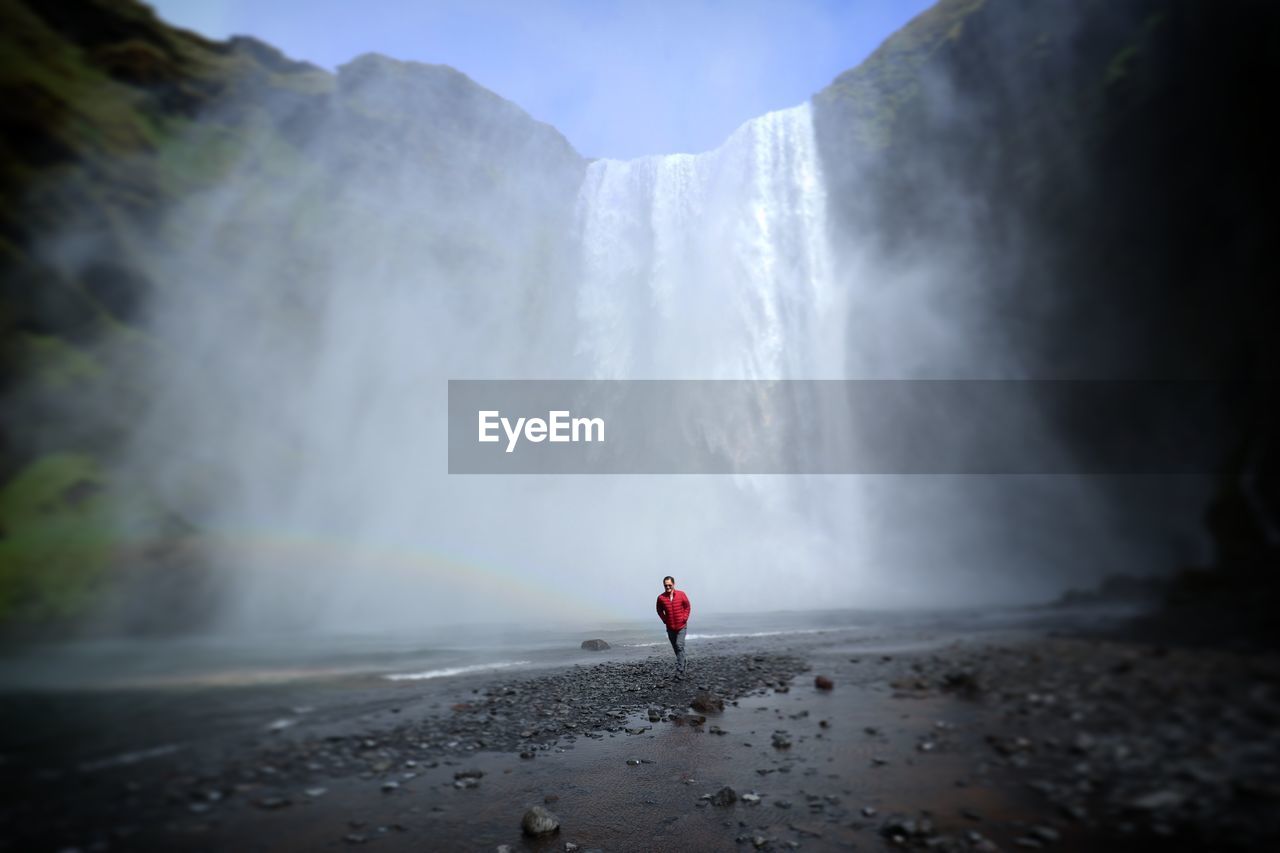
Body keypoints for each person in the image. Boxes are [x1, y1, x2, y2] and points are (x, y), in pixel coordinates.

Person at [655, 575, 691, 679]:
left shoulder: (681, 594)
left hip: (681, 626)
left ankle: (680, 670)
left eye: (669, 585)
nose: (668, 587)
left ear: (674, 584)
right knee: (676, 648)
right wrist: (664, 619)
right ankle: (683, 661)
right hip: (670, 627)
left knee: (679, 645)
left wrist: (684, 618)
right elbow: (659, 610)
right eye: (666, 585)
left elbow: (687, 606)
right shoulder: (661, 598)